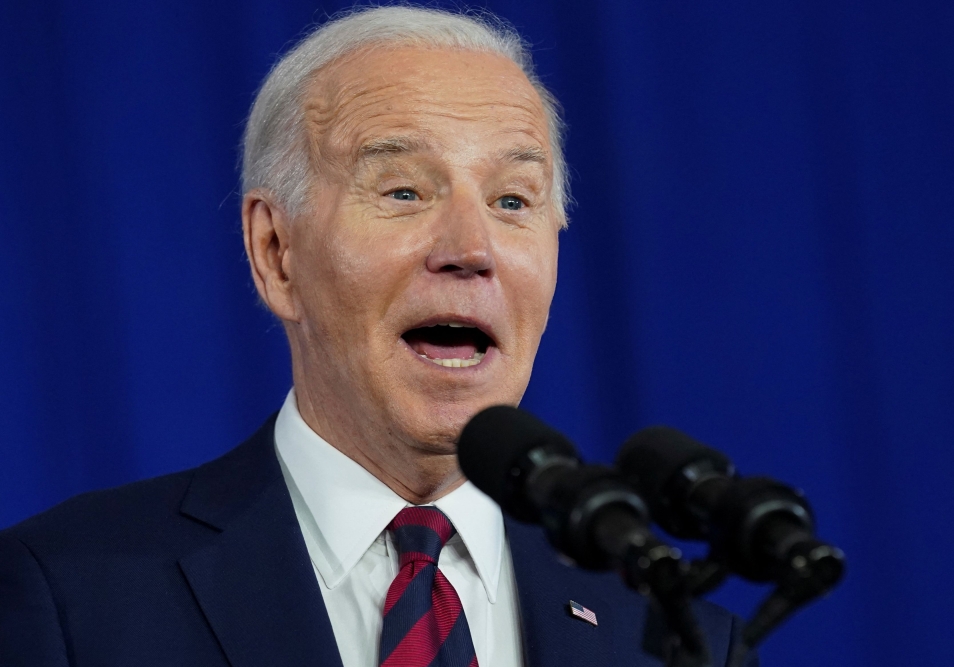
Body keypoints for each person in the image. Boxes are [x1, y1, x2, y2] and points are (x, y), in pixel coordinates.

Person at [0, 6, 755, 666]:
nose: (472, 247)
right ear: (276, 253)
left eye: (512, 198)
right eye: (403, 190)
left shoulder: (675, 639)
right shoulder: (67, 594)